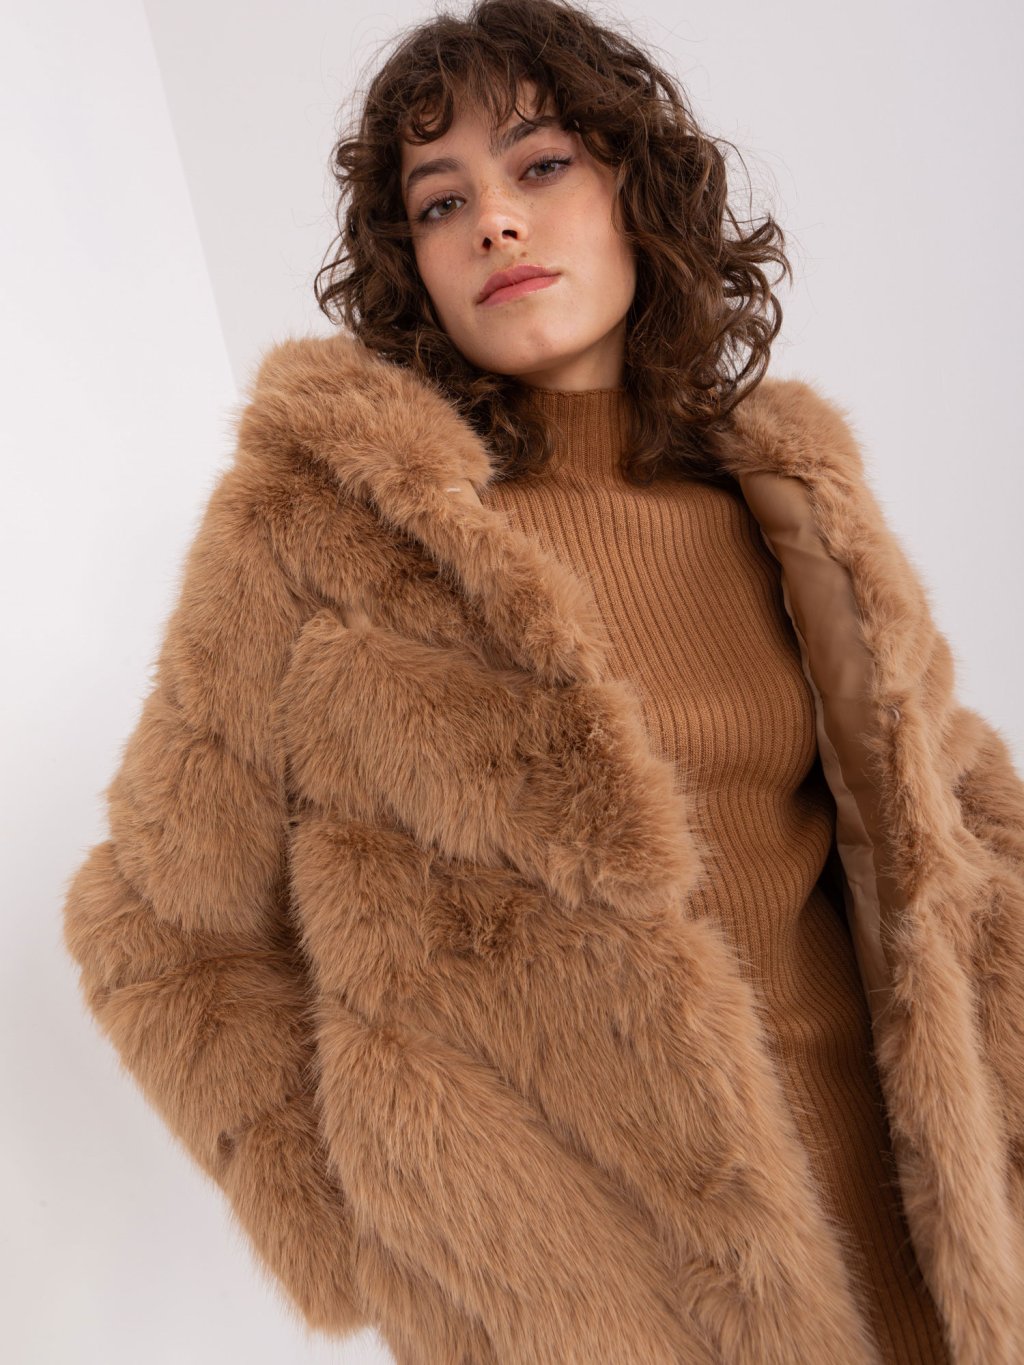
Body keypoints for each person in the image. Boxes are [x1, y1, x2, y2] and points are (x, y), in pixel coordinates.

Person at [61, 2, 1024, 1362]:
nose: (495, 223)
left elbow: (957, 821)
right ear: (412, 261)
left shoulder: (790, 501)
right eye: (441, 201)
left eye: (542, 165)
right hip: (598, 1316)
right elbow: (154, 928)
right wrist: (401, 1238)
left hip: (922, 1243)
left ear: (638, 190)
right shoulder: (326, 527)